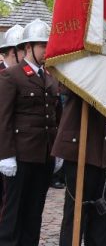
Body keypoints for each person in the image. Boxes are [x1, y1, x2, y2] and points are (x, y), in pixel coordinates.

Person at [53, 27, 106, 246]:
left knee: (103, 219)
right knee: (75, 217)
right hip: (82, 151)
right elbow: (62, 88)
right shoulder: (78, 70)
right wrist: (86, 66)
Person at [0, 19, 60, 245]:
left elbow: (55, 117)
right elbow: (3, 119)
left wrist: (58, 151)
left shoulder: (50, 76)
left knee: (35, 212)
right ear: (27, 48)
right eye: (42, 45)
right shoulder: (11, 76)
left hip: (44, 155)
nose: (47, 50)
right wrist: (6, 155)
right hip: (20, 156)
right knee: (13, 212)